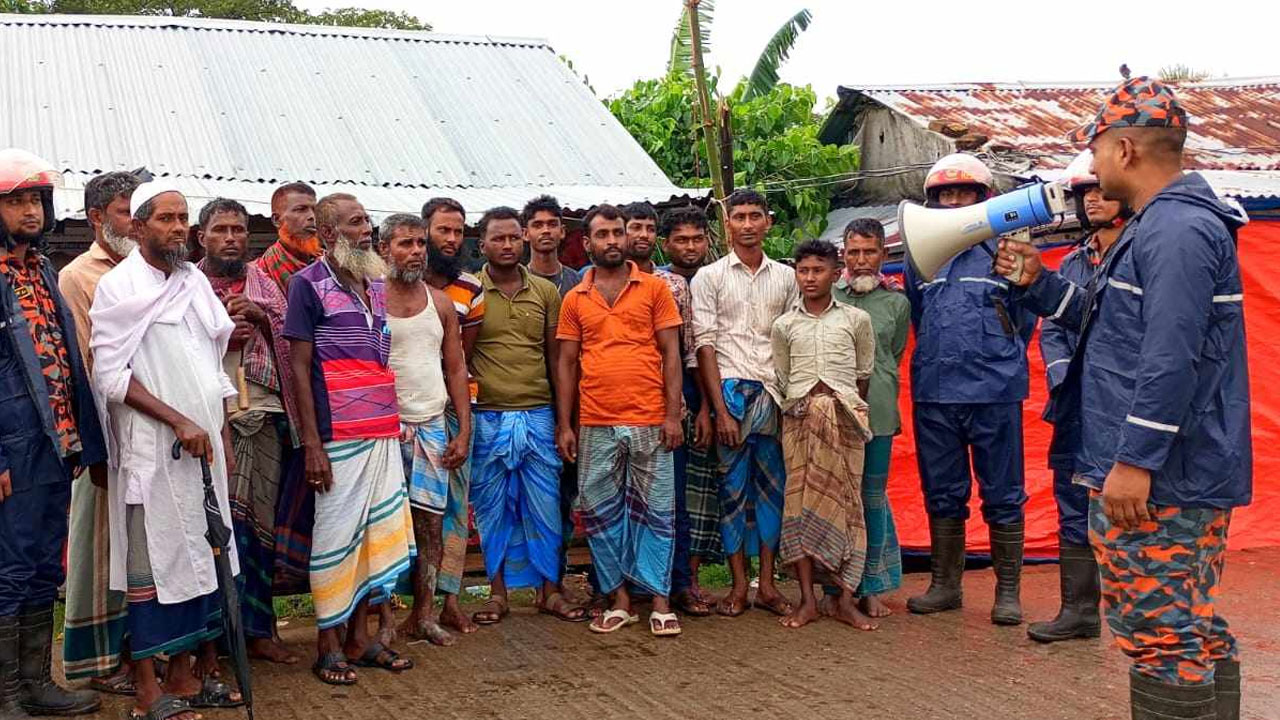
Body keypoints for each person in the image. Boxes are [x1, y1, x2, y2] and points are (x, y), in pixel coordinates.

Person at [996, 77, 1250, 720]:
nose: (1094, 165)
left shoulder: (1177, 232)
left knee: (1160, 635)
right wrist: (1040, 287)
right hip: (1174, 470)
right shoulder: (1159, 228)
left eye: (1099, 150)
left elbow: (1170, 359)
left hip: (1163, 478)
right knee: (1187, 624)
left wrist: (1134, 461)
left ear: (1127, 149)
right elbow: (1116, 330)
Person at [91, 182, 244, 720]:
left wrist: (218, 424)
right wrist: (178, 420)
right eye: (166, 219)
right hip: (153, 452)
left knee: (203, 558)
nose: (178, 227)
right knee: (151, 565)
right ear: (138, 227)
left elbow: (212, 360)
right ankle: (148, 691)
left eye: (183, 218)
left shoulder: (193, 280)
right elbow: (112, 375)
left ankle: (185, 676)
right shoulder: (118, 286)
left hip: (204, 449)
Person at [283, 193, 415, 685]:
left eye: (367, 221)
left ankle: (360, 640)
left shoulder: (376, 283)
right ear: (330, 233)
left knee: (372, 539)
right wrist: (312, 443)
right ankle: (327, 645)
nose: (367, 229)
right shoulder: (307, 285)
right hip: (336, 435)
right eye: (356, 222)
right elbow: (298, 369)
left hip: (381, 429)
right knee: (336, 539)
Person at [903, 153, 1037, 625]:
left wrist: (994, 357)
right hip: (935, 392)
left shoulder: (1008, 252)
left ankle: (1007, 592)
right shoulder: (920, 257)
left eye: (962, 193)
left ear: (983, 199)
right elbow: (918, 315)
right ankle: (944, 585)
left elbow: (1025, 321)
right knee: (942, 490)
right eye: (944, 195)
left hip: (994, 391)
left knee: (1004, 491)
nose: (953, 201)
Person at [0, 149, 104, 718]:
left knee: (45, 565)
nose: (30, 211)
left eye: (35, 200)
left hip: (54, 446)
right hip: (13, 448)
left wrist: (82, 439)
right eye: (15, 201)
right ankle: (6, 693)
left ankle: (37, 684)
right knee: (10, 569)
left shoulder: (39, 270)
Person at [555, 204, 685, 636]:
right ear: (587, 243)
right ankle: (621, 600)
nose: (612, 241)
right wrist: (566, 424)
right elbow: (567, 363)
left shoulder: (654, 289)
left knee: (657, 511)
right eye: (603, 235)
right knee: (599, 511)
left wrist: (672, 415)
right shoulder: (575, 298)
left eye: (617, 233)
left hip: (651, 417)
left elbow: (671, 354)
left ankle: (661, 602)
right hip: (596, 420)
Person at [1025, 150, 1127, 645]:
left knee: (1130, 501)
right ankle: (1079, 612)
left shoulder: (1139, 253)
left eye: (1102, 190)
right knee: (1072, 501)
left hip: (1125, 405)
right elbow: (1054, 331)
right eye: (1085, 192)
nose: (1094, 199)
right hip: (1075, 404)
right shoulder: (1070, 261)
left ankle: (1140, 614)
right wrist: (1066, 378)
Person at [196, 198, 302, 664]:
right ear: (202, 237)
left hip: (261, 416)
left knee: (259, 530)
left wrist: (258, 318)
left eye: (238, 229)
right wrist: (219, 329)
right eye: (220, 229)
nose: (231, 237)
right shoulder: (186, 286)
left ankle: (259, 630)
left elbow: (291, 338)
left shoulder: (265, 287)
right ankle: (214, 639)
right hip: (209, 421)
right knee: (215, 531)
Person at [469, 206, 586, 624]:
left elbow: (559, 361)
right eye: (497, 238)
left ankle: (549, 592)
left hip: (538, 414)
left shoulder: (546, 291)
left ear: (524, 240)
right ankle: (496, 594)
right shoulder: (469, 292)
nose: (507, 245)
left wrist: (563, 421)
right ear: (481, 244)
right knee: (492, 508)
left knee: (546, 506)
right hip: (489, 417)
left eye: (513, 237)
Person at [691, 189, 797, 618]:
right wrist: (718, 409)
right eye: (740, 217)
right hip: (731, 393)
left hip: (773, 394)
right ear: (727, 224)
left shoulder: (787, 278)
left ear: (768, 222)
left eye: (755, 216)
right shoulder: (710, 278)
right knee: (732, 494)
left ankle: (767, 586)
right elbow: (705, 345)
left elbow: (793, 338)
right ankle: (738, 586)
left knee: (772, 494)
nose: (748, 224)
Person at [58, 170, 140, 694]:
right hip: (104, 430)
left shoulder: (151, 270)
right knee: (98, 544)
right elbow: (85, 364)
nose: (133, 222)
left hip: (149, 429)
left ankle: (143, 652)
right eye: (124, 212)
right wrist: (97, 446)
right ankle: (98, 665)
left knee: (137, 547)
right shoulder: (78, 275)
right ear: (96, 218)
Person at [377, 213, 471, 646]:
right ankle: (381, 619)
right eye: (405, 243)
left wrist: (463, 430)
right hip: (382, 430)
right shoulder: (369, 300)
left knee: (431, 524)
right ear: (384, 250)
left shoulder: (441, 303)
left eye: (419, 243)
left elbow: (455, 368)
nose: (415, 251)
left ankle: (424, 615)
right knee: (382, 526)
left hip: (432, 425)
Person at [772, 240, 876, 630]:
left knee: (850, 506)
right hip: (799, 423)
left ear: (836, 274)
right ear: (796, 274)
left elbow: (863, 374)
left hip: (846, 421)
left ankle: (845, 600)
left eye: (818, 271)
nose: (810, 278)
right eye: (803, 271)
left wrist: (838, 411)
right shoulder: (784, 325)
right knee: (798, 508)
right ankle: (807, 601)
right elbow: (782, 379)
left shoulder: (855, 320)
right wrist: (812, 408)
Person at [621, 201, 711, 616]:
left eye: (646, 227)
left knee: (671, 495)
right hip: (617, 403)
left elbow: (685, 348)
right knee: (622, 497)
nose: (639, 235)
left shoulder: (672, 285)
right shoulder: (597, 282)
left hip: (669, 401)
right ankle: (626, 585)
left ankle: (677, 582)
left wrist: (691, 406)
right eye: (632, 227)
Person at [831, 218, 911, 619]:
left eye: (870, 252)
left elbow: (892, 356)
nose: (861, 261)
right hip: (830, 415)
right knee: (834, 499)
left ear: (883, 254)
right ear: (843, 253)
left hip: (878, 414)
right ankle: (835, 585)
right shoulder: (826, 293)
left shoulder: (897, 303)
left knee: (872, 500)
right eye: (854, 252)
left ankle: (870, 586)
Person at [420, 196, 485, 635]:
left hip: (454, 406)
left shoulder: (470, 288)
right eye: (443, 230)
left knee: (455, 507)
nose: (451, 238)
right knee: (411, 510)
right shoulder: (390, 283)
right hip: (406, 409)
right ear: (424, 231)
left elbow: (465, 355)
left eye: (458, 231)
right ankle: (406, 604)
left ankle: (449, 600)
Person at [255, 181, 321, 594]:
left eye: (312, 208)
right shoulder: (265, 272)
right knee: (283, 501)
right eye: (298, 210)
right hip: (285, 400)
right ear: (278, 220)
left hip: (329, 395)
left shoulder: (328, 264)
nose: (309, 217)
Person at [658, 205, 722, 608]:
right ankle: (679, 580)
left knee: (706, 493)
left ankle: (690, 578)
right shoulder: (661, 285)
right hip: (679, 395)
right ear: (667, 245)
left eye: (697, 238)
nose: (691, 247)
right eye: (681, 240)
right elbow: (681, 353)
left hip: (721, 394)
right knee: (676, 492)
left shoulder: (718, 279)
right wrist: (693, 407)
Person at [256, 182, 321, 294]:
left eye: (315, 210)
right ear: (277, 220)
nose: (312, 217)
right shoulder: (259, 273)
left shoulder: (330, 266)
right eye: (301, 209)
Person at [522, 194, 580, 295]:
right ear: (525, 234)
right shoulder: (517, 282)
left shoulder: (577, 282)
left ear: (562, 231)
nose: (546, 231)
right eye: (538, 225)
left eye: (552, 224)